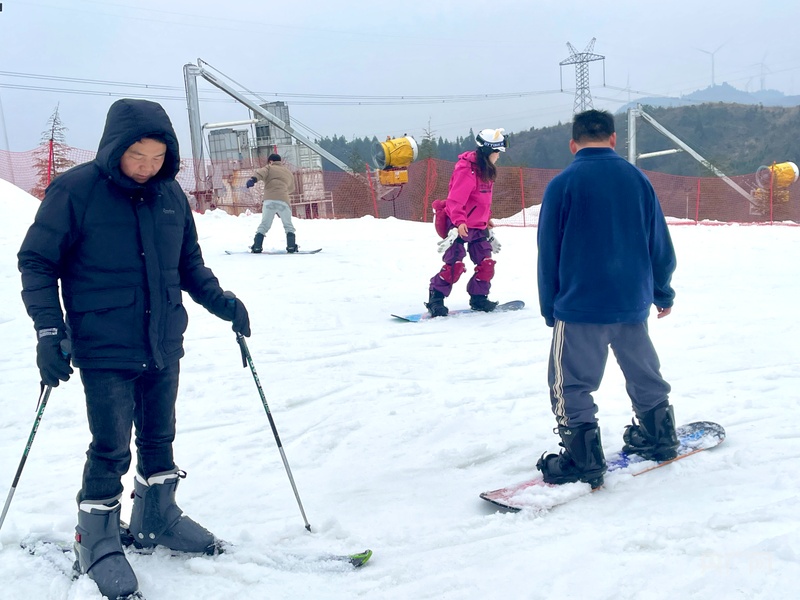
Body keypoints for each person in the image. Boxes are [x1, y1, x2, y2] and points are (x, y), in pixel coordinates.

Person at [18, 98, 251, 600]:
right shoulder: (75, 191)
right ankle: (96, 537)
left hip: (163, 340)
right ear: (115, 148)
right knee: (110, 445)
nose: (147, 167)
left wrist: (222, 301)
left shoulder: (170, 196)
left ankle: (156, 516)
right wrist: (47, 331)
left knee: (160, 437)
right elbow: (36, 263)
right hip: (105, 346)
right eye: (137, 156)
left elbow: (189, 265)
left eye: (157, 157)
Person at [535, 109, 678, 490]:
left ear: (573, 144)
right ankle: (660, 437)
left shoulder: (562, 184)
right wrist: (661, 291)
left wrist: (551, 306)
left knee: (571, 384)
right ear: (614, 139)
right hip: (632, 302)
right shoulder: (638, 180)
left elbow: (548, 251)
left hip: (580, 305)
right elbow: (658, 241)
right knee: (643, 371)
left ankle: (584, 460)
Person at [425, 128, 506, 316]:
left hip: (478, 226)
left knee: (486, 264)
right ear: (488, 151)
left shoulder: (486, 170)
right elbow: (456, 199)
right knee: (454, 266)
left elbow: (482, 200)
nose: (499, 156)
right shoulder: (467, 170)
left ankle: (479, 298)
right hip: (459, 226)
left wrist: (486, 219)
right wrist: (459, 221)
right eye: (497, 151)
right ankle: (436, 298)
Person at [246, 153, 298, 253]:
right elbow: (291, 188)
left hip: (269, 200)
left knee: (265, 224)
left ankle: (257, 246)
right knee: (288, 225)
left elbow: (261, 173)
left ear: (271, 161)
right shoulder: (288, 172)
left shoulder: (269, 168)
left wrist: (253, 180)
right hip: (283, 200)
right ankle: (291, 246)